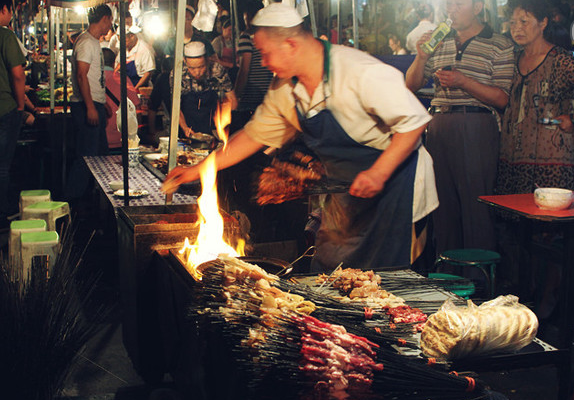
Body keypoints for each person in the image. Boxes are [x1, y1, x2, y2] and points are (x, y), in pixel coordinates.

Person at [163, 3, 438, 272]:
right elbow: (251, 137)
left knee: (388, 284)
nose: (264, 62)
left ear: (291, 45)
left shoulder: (358, 70)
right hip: (348, 195)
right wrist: (197, 170)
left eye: (265, 53)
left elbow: (413, 122)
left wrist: (379, 172)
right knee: (329, 268)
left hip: (397, 188)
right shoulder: (285, 88)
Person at [405, 0, 514, 254]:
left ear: (478, 8)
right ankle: (448, 276)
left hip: (476, 125)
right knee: (443, 206)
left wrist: (464, 81)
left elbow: (502, 98)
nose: (450, 9)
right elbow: (410, 85)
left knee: (476, 206)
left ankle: (478, 281)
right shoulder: (440, 40)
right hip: (440, 123)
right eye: (448, 4)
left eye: (458, 4)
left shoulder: (499, 44)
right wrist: (422, 57)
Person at [497, 0, 574, 195]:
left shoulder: (562, 61)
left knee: (547, 218)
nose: (517, 29)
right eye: (513, 23)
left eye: (524, 21)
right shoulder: (511, 59)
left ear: (543, 23)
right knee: (514, 217)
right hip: (513, 156)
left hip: (553, 159)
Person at [66, 4, 113, 201]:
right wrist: (91, 107)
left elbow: (93, 78)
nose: (110, 25)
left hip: (94, 103)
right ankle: (71, 203)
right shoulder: (86, 42)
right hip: (86, 106)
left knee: (100, 156)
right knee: (87, 159)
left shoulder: (93, 42)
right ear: (104, 19)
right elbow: (81, 75)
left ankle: (94, 203)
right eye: (110, 20)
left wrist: (102, 101)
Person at [173, 41, 236, 138]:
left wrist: (224, 126)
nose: (197, 72)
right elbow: (175, 106)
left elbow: (231, 98)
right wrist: (185, 127)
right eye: (192, 68)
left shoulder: (217, 70)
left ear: (207, 60)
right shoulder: (178, 73)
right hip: (187, 124)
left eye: (201, 67)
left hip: (213, 126)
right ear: (185, 61)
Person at [0, 0, 25, 226]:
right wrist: (20, 105)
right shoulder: (6, 36)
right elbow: (18, 75)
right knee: (2, 165)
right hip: (4, 108)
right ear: (4, 10)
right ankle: (2, 214)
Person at [232, 0, 273, 131]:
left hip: (250, 96)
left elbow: (244, 70)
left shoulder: (246, 37)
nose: (247, 22)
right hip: (266, 95)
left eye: (248, 17)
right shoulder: (269, 36)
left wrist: (236, 95)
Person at [102, 47, 140, 149]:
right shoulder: (123, 79)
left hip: (98, 137)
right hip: (122, 138)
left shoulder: (92, 79)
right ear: (114, 63)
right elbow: (135, 104)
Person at [114, 26, 155, 91]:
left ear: (132, 36)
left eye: (124, 40)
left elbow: (148, 73)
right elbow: (117, 67)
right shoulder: (123, 50)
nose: (122, 43)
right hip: (126, 88)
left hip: (140, 87)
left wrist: (135, 88)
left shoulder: (144, 49)